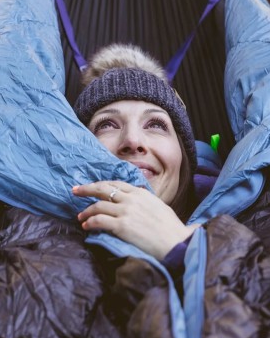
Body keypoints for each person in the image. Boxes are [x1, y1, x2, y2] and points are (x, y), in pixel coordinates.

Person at [71, 43, 200, 262]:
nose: (132, 141)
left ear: (183, 155)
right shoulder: (34, 234)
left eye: (156, 124)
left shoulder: (244, 228)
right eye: (107, 125)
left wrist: (184, 249)